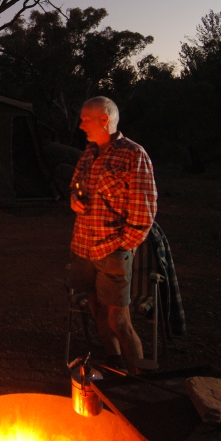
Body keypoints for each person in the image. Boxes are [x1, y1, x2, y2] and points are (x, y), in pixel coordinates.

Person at [69, 96, 157, 374]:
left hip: (112, 252)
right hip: (83, 248)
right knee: (95, 308)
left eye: (86, 118)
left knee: (119, 319)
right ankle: (114, 360)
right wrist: (74, 199)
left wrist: (122, 246)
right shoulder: (88, 154)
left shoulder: (133, 155)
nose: (81, 124)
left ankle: (138, 379)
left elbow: (144, 210)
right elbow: (74, 187)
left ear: (104, 120)